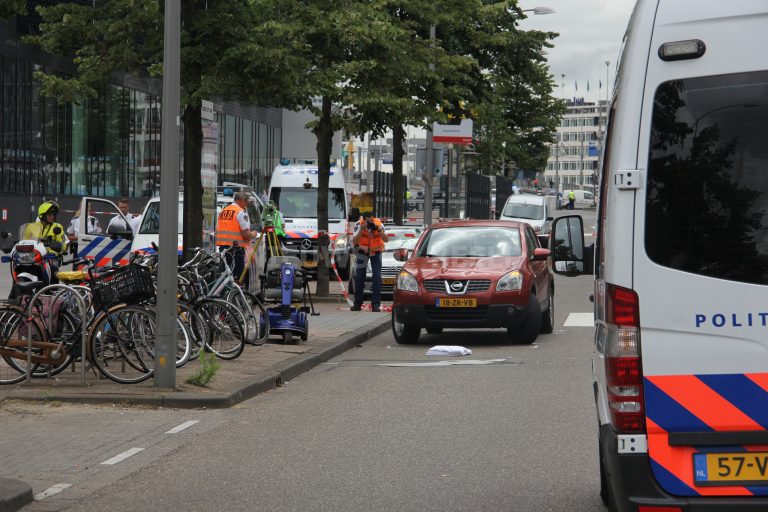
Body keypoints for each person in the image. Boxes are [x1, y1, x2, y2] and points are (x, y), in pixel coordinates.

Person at [351, 210, 389, 312]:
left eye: (371, 221)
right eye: (367, 221)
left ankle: (375, 305)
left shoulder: (378, 223)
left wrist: (379, 230)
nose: (369, 223)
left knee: (377, 277)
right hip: (362, 251)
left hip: (376, 251)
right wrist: (361, 230)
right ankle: (357, 304)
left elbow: (386, 240)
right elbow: (354, 241)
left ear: (373, 218)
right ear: (363, 219)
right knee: (359, 277)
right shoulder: (359, 224)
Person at [216, 191, 257, 280]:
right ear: (242, 201)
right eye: (246, 202)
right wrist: (254, 234)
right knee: (236, 277)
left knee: (225, 276)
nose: (246, 205)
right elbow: (246, 234)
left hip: (223, 248)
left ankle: (225, 293)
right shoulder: (240, 212)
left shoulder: (223, 211)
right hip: (235, 249)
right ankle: (232, 293)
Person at [25, 201, 67, 281]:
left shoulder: (57, 227)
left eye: (53, 215)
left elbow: (63, 245)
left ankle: (53, 291)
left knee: (54, 269)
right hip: (34, 255)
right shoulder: (31, 227)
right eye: (49, 215)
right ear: (42, 215)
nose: (52, 217)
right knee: (21, 265)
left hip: (50, 256)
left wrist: (56, 247)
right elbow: (24, 240)